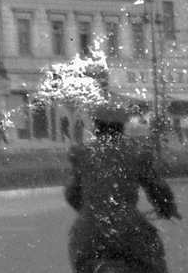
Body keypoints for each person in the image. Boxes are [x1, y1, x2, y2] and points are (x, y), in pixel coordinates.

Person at [65, 102, 179, 273]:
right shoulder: (137, 152)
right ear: (122, 127)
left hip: (89, 231)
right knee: (154, 264)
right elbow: (157, 189)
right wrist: (167, 208)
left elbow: (72, 193)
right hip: (129, 230)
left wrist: (91, 209)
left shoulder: (84, 153)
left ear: (96, 126)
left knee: (83, 265)